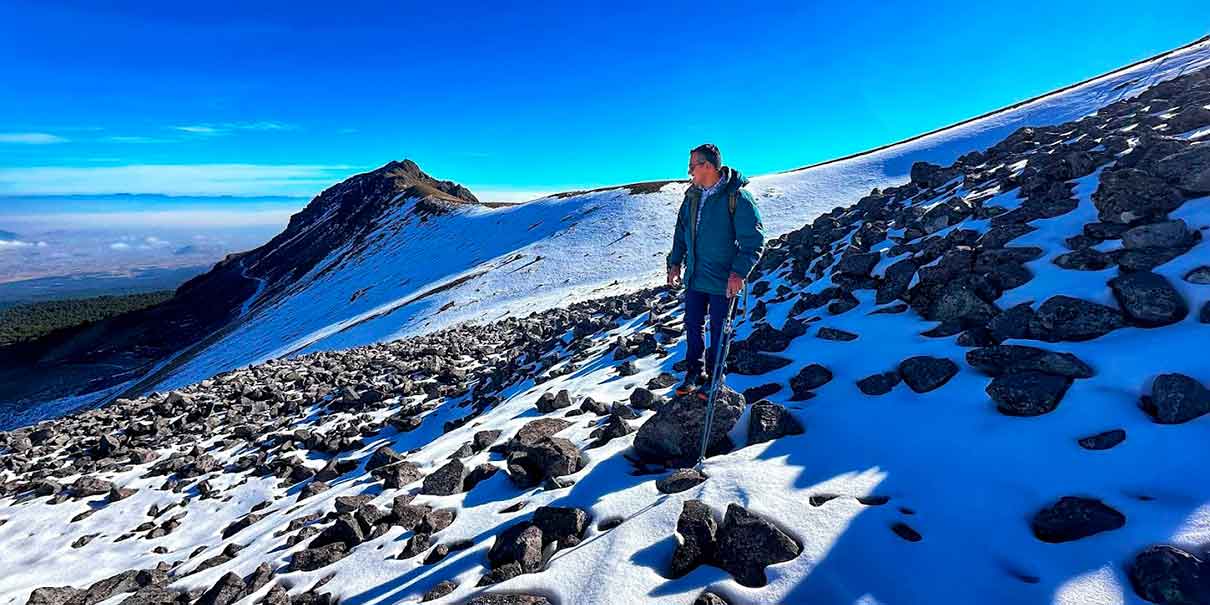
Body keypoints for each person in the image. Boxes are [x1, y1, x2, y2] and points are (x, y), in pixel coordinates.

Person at [666, 143, 766, 397]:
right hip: (695, 276)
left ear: (708, 166)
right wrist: (675, 263)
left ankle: (715, 376)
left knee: (720, 329)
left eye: (693, 166)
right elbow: (681, 233)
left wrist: (739, 273)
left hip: (724, 280)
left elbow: (753, 241)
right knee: (692, 325)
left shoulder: (737, 197)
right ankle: (694, 372)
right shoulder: (692, 197)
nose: (689, 171)